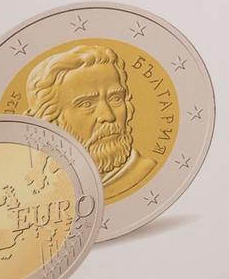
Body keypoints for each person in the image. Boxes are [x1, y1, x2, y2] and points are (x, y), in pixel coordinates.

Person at [27, 44, 157, 198]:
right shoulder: (40, 183)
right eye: (87, 104)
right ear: (50, 120)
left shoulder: (145, 172)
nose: (109, 116)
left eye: (115, 99)